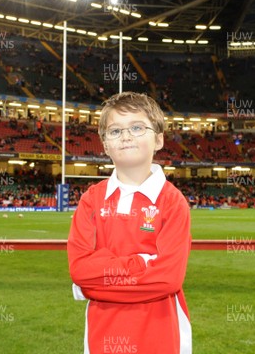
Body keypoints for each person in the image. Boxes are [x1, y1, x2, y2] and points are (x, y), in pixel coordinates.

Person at [67, 92, 192, 353]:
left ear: (158, 139)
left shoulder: (172, 201)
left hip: (162, 335)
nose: (125, 136)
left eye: (137, 127)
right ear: (104, 145)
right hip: (103, 336)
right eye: (115, 131)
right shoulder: (91, 200)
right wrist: (143, 262)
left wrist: (96, 283)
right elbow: (79, 271)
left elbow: (167, 280)